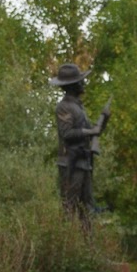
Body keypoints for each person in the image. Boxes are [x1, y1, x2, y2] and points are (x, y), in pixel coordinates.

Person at [51, 62, 110, 220]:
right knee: (70, 206)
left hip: (83, 162)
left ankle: (88, 243)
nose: (83, 83)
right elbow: (67, 133)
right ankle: (68, 240)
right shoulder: (63, 107)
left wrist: (103, 122)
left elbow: (92, 133)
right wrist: (92, 131)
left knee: (88, 208)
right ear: (73, 85)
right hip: (71, 163)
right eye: (80, 81)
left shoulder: (78, 107)